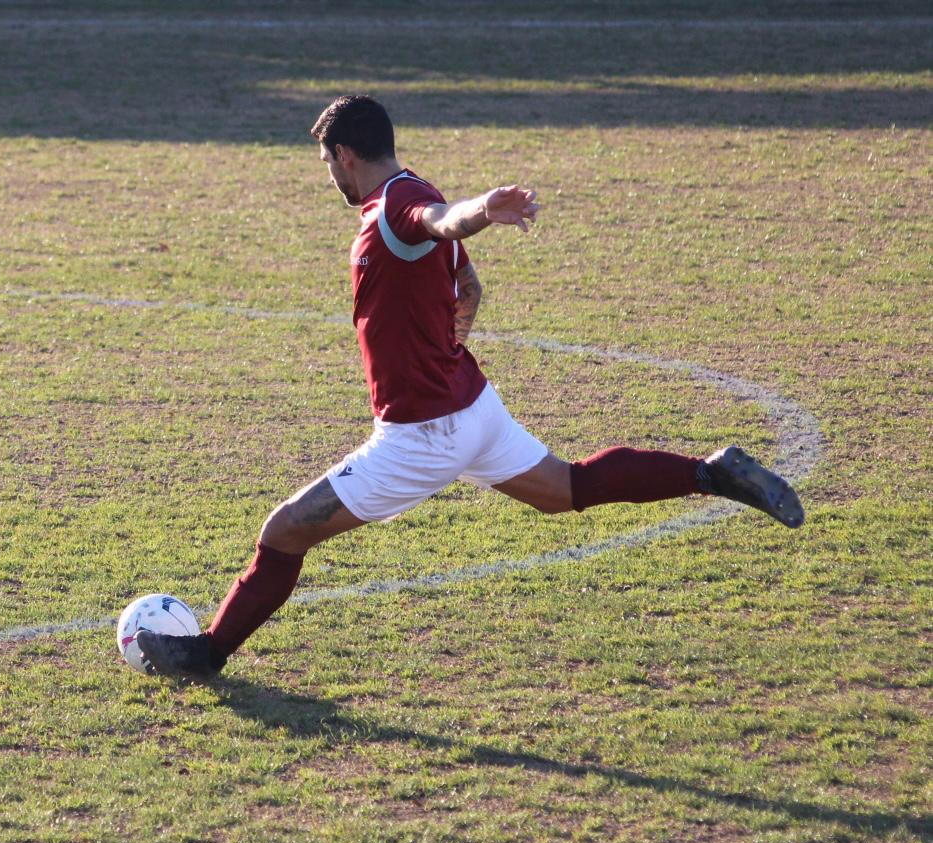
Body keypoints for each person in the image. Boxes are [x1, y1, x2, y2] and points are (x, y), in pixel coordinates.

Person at [137, 95, 804, 678]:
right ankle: (710, 472)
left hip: (421, 435)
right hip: (473, 407)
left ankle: (207, 654)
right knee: (565, 489)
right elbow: (463, 273)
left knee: (282, 532)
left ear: (344, 154)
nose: (328, 178)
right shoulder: (412, 186)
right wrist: (461, 314)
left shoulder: (398, 204)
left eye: (325, 164)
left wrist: (486, 208)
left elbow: (444, 222)